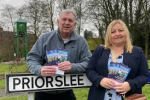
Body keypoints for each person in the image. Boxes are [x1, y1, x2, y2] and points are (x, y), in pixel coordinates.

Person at [27, 9, 91, 100]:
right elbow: (32, 58)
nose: (67, 23)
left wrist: (72, 67)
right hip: (43, 90)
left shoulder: (81, 42)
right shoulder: (45, 38)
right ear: (58, 22)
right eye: (64, 19)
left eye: (70, 20)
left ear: (75, 24)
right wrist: (39, 69)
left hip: (65, 90)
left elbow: (88, 62)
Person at [86, 19, 149, 100]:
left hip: (128, 96)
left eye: (121, 30)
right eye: (113, 32)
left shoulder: (137, 52)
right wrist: (100, 80)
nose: (117, 34)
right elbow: (90, 70)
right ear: (109, 35)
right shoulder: (99, 50)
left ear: (126, 32)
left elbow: (144, 75)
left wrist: (130, 85)